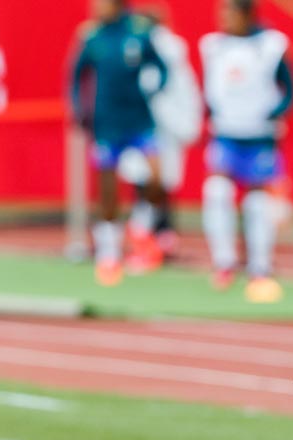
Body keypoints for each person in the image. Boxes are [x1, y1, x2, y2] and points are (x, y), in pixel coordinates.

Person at [200, 0, 293, 303]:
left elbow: (290, 89)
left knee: (257, 202)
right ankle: (224, 263)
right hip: (226, 135)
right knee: (217, 192)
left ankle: (260, 268)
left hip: (259, 139)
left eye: (230, 13)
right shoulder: (213, 46)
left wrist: (272, 113)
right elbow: (211, 88)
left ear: (247, 14)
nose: (224, 19)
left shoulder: (271, 46)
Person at [69, 0, 168, 286]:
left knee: (156, 179)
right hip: (107, 125)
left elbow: (161, 66)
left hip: (139, 122)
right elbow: (77, 76)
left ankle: (139, 228)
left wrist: (155, 88)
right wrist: (79, 109)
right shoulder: (92, 36)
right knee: (108, 194)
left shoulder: (138, 32)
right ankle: (109, 255)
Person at [118, 3, 203, 269]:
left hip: (157, 127)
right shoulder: (153, 46)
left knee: (150, 184)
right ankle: (161, 236)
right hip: (159, 126)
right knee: (154, 183)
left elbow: (153, 87)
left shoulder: (157, 48)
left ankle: (150, 241)